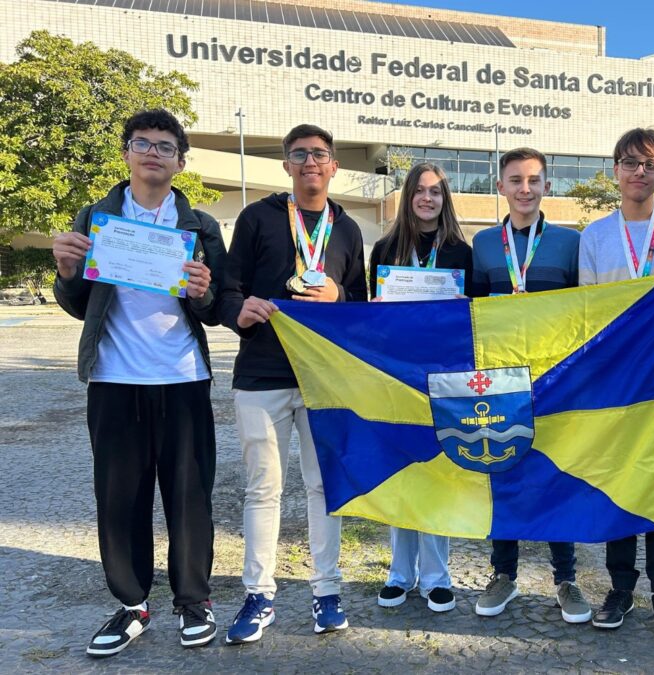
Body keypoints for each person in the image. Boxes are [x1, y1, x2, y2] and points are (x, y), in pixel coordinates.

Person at [51, 109, 225, 657]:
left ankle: (193, 599)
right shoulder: (97, 216)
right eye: (142, 143)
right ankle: (132, 604)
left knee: (189, 492)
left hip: (182, 376)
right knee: (120, 496)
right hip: (114, 377)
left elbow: (216, 308)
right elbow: (79, 305)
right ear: (126, 153)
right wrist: (65, 273)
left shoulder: (200, 226)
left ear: (179, 161)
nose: (153, 152)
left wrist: (203, 292)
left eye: (166, 146)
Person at [218, 124, 368, 644]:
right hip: (262, 374)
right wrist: (239, 309)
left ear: (333, 167)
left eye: (320, 154)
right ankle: (259, 596)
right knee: (264, 490)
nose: (310, 162)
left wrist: (338, 300)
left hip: (324, 377)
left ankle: (326, 590)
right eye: (299, 154)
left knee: (325, 487)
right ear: (286, 165)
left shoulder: (347, 230)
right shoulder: (257, 218)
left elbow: (361, 307)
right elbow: (227, 289)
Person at [578, 128, 654, 640]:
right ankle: (620, 588)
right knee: (618, 481)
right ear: (615, 171)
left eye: (650, 165)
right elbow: (586, 310)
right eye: (630, 163)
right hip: (614, 373)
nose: (639, 172)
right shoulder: (595, 235)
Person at [470, 147, 592, 623]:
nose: (525, 189)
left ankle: (566, 578)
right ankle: (504, 573)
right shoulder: (482, 244)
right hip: (500, 378)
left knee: (555, 472)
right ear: (500, 186)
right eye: (516, 180)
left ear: (547, 186)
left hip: (555, 378)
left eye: (534, 180)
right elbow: (474, 312)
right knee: (503, 469)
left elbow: (586, 311)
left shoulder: (569, 242)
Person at [369, 162, 472, 612]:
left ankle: (436, 577)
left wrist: (466, 308)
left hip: (442, 374)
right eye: (420, 191)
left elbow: (473, 320)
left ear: (444, 199)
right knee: (401, 473)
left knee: (438, 475)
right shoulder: (385, 248)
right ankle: (399, 573)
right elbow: (370, 322)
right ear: (408, 196)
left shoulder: (458, 252)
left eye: (436, 192)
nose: (428, 199)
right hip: (394, 375)